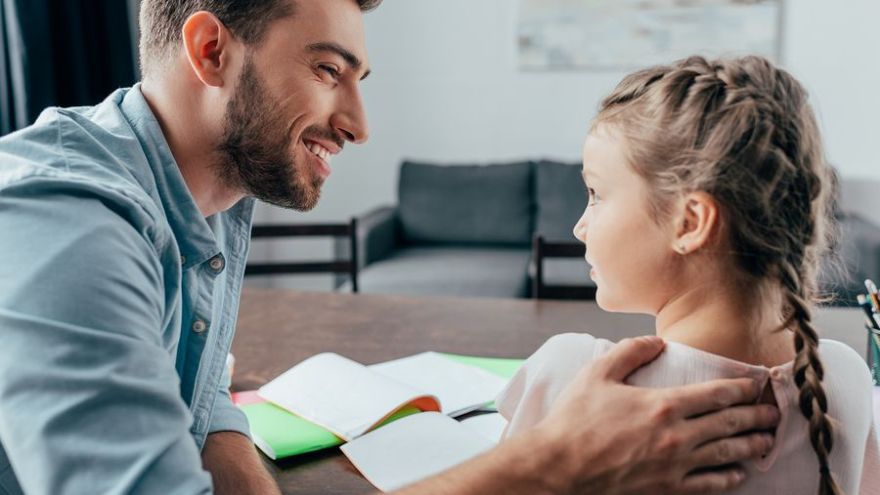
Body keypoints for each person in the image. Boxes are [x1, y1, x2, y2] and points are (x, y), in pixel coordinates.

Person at [0, 1, 779, 493]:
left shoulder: (218, 195)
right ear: (210, 51)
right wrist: (549, 466)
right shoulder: (66, 222)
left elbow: (201, 401)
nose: (359, 122)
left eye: (360, 76)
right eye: (328, 69)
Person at [496, 55, 880, 494]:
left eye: (596, 193)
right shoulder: (844, 377)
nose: (579, 226)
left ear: (690, 222)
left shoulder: (574, 378)